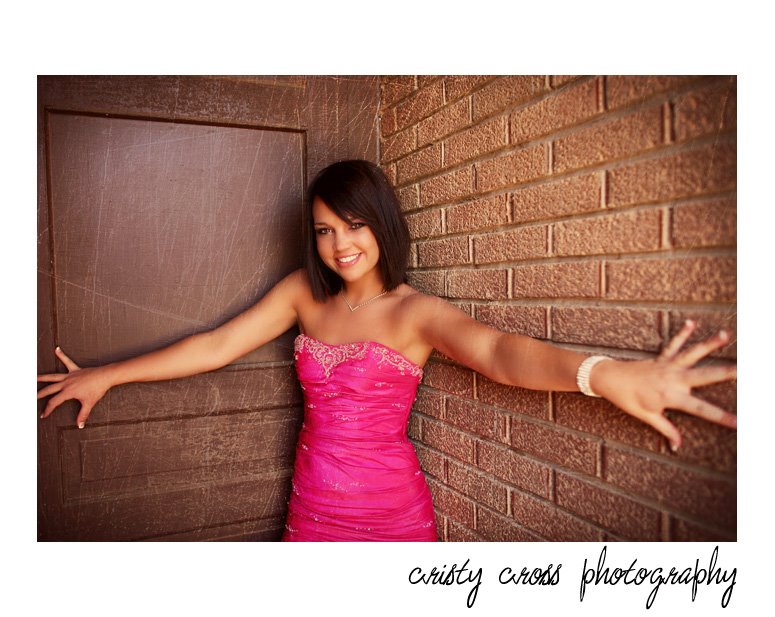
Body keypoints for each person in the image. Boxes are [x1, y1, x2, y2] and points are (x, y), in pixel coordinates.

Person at [37, 159, 737, 541]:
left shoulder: (414, 312)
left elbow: (499, 352)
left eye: (354, 224)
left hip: (392, 514)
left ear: (381, 224)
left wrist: (603, 374)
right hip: (311, 508)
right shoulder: (303, 296)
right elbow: (217, 344)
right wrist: (107, 375)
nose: (340, 244)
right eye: (323, 230)